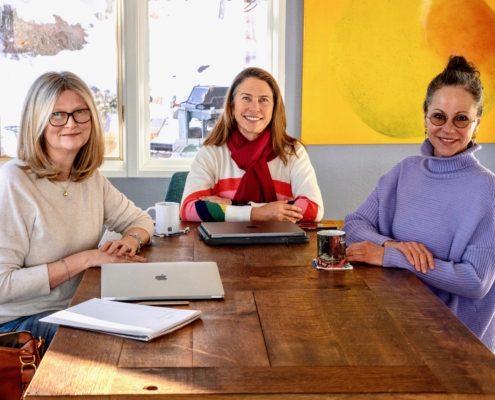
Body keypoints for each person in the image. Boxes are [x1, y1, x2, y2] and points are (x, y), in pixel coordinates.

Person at [343, 55, 495, 352]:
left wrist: (393, 257)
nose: (448, 129)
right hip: (395, 325)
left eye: (461, 118)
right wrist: (393, 245)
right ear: (425, 117)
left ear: (476, 124)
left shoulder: (487, 189)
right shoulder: (405, 170)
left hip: (456, 347)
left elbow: (476, 281)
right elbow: (354, 225)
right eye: (439, 116)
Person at [0, 71, 154, 348]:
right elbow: (2, 285)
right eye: (57, 114)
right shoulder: (14, 181)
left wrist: (130, 241)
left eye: (80, 112)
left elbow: (140, 219)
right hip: (17, 324)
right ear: (37, 121)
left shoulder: (87, 177)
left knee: (154, 318)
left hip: (77, 306)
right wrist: (85, 260)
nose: (71, 123)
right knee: (124, 342)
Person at [180, 67, 324, 222]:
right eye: (246, 98)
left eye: (264, 100)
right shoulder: (212, 152)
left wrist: (235, 206)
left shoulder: (293, 151)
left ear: (274, 108)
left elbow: (313, 209)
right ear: (232, 106)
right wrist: (258, 213)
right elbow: (189, 209)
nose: (255, 108)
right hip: (223, 245)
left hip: (281, 245)